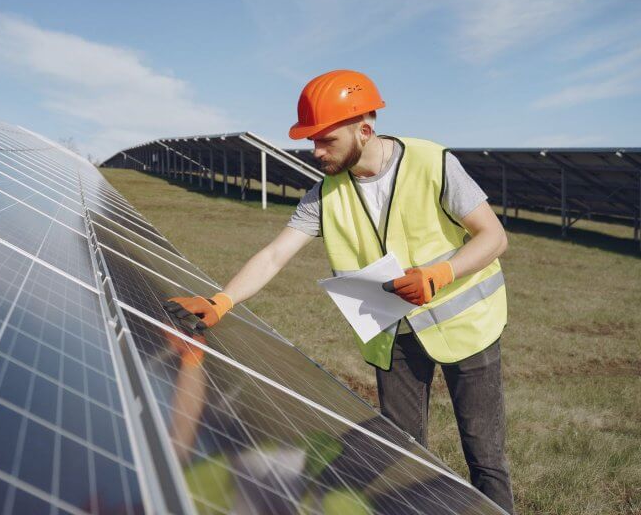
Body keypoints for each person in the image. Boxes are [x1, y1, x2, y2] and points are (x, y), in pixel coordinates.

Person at [164, 70, 516, 513]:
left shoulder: (432, 162)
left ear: (364, 130)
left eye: (325, 140)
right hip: (393, 334)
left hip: (467, 326)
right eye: (311, 140)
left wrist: (439, 273)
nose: (315, 151)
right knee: (401, 451)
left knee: (484, 455)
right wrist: (222, 300)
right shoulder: (324, 193)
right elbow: (275, 255)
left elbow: (493, 236)